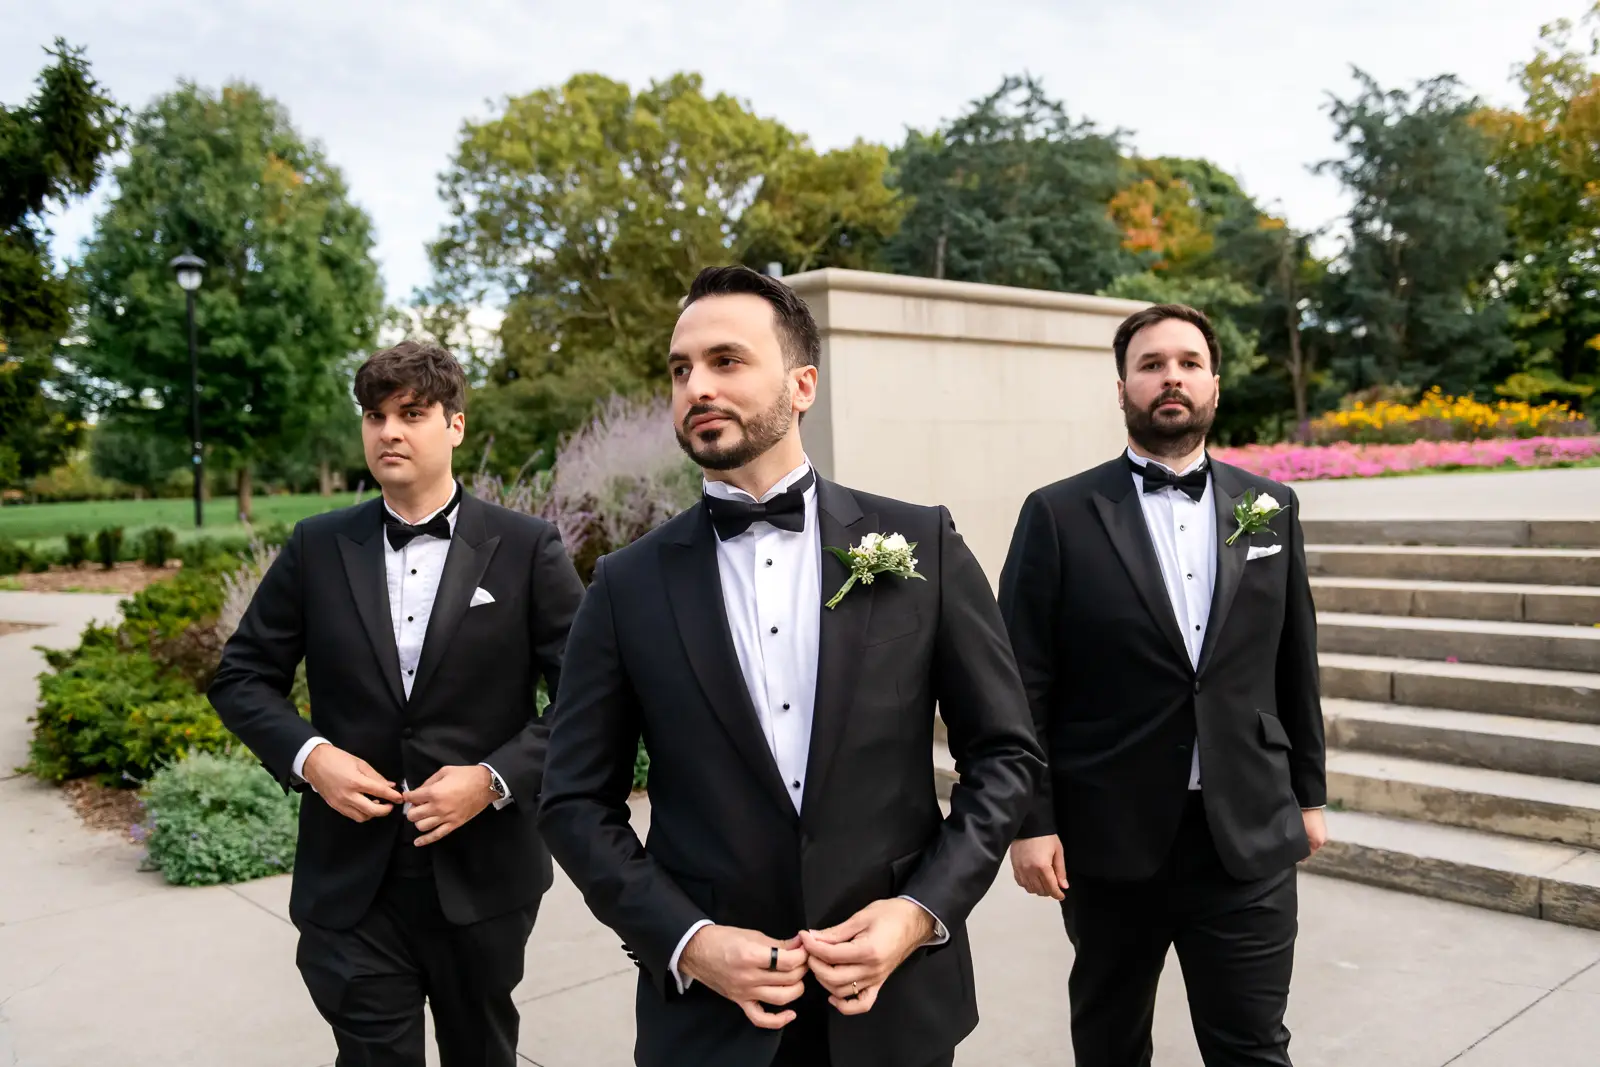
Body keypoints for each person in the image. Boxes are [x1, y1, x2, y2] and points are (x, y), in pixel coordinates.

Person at [537, 265, 1043, 1067]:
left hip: (897, 1009)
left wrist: (918, 911)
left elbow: (1005, 754)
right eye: (680, 369)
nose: (696, 385)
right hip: (710, 1026)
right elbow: (572, 799)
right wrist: (689, 940)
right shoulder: (626, 584)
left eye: (726, 361)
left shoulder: (923, 544)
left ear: (803, 384)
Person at [209, 340, 584, 1067]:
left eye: (412, 413)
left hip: (482, 878)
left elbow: (585, 698)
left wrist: (494, 777)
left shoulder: (527, 546)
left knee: (481, 1052)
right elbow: (241, 676)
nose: (389, 431)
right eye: (375, 415)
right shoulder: (317, 546)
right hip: (350, 882)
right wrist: (311, 757)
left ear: (456, 425)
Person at [999, 303, 1328, 1067]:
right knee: (1110, 1043)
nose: (1170, 377)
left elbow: (1293, 658)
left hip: (1246, 832)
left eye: (1187, 362)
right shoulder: (1057, 513)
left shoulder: (1270, 507)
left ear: (1214, 383)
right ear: (1122, 388)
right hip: (1106, 838)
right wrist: (1029, 819)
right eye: (1150, 365)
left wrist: (1308, 794)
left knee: (1252, 1044)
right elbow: (1022, 682)